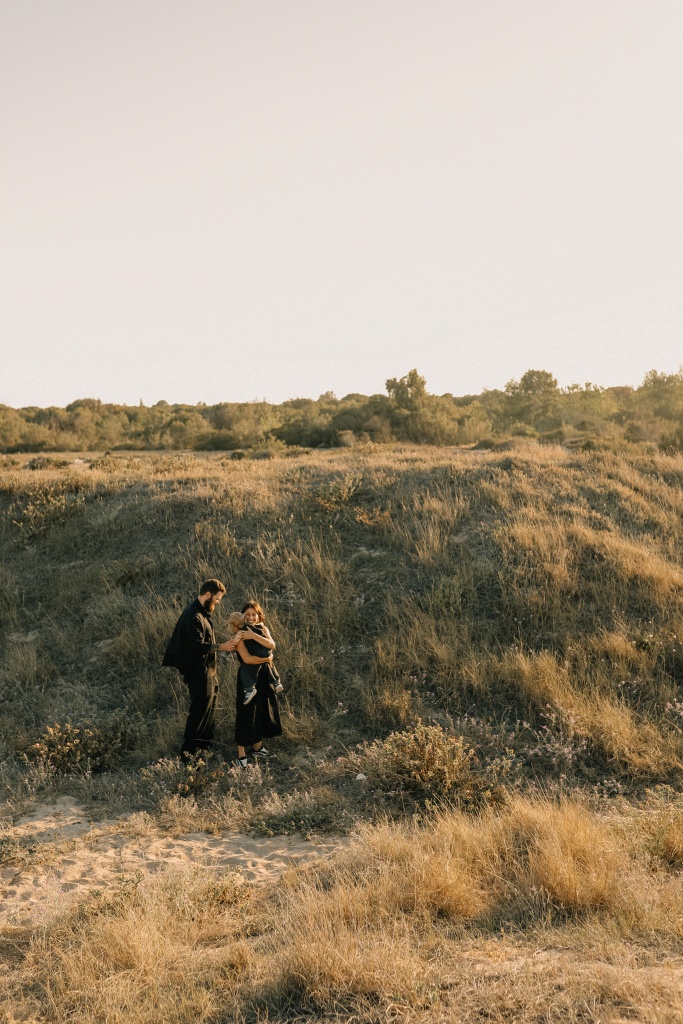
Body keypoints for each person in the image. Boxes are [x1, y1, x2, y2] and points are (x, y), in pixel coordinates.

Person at [162, 579, 251, 760]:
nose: (218, 603)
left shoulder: (201, 613)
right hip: (199, 673)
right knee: (199, 713)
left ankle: (203, 749)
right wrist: (221, 647)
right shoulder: (193, 616)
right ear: (208, 594)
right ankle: (189, 756)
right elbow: (197, 646)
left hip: (208, 671)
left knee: (208, 710)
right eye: (217, 599)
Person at [232, 600, 283, 768]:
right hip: (247, 678)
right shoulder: (240, 633)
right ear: (242, 616)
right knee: (245, 713)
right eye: (247, 614)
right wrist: (267, 659)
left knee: (261, 710)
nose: (250, 617)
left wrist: (254, 636)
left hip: (263, 676)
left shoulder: (263, 629)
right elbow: (247, 659)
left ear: (259, 616)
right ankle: (241, 754)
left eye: (254, 614)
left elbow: (272, 644)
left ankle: (257, 748)